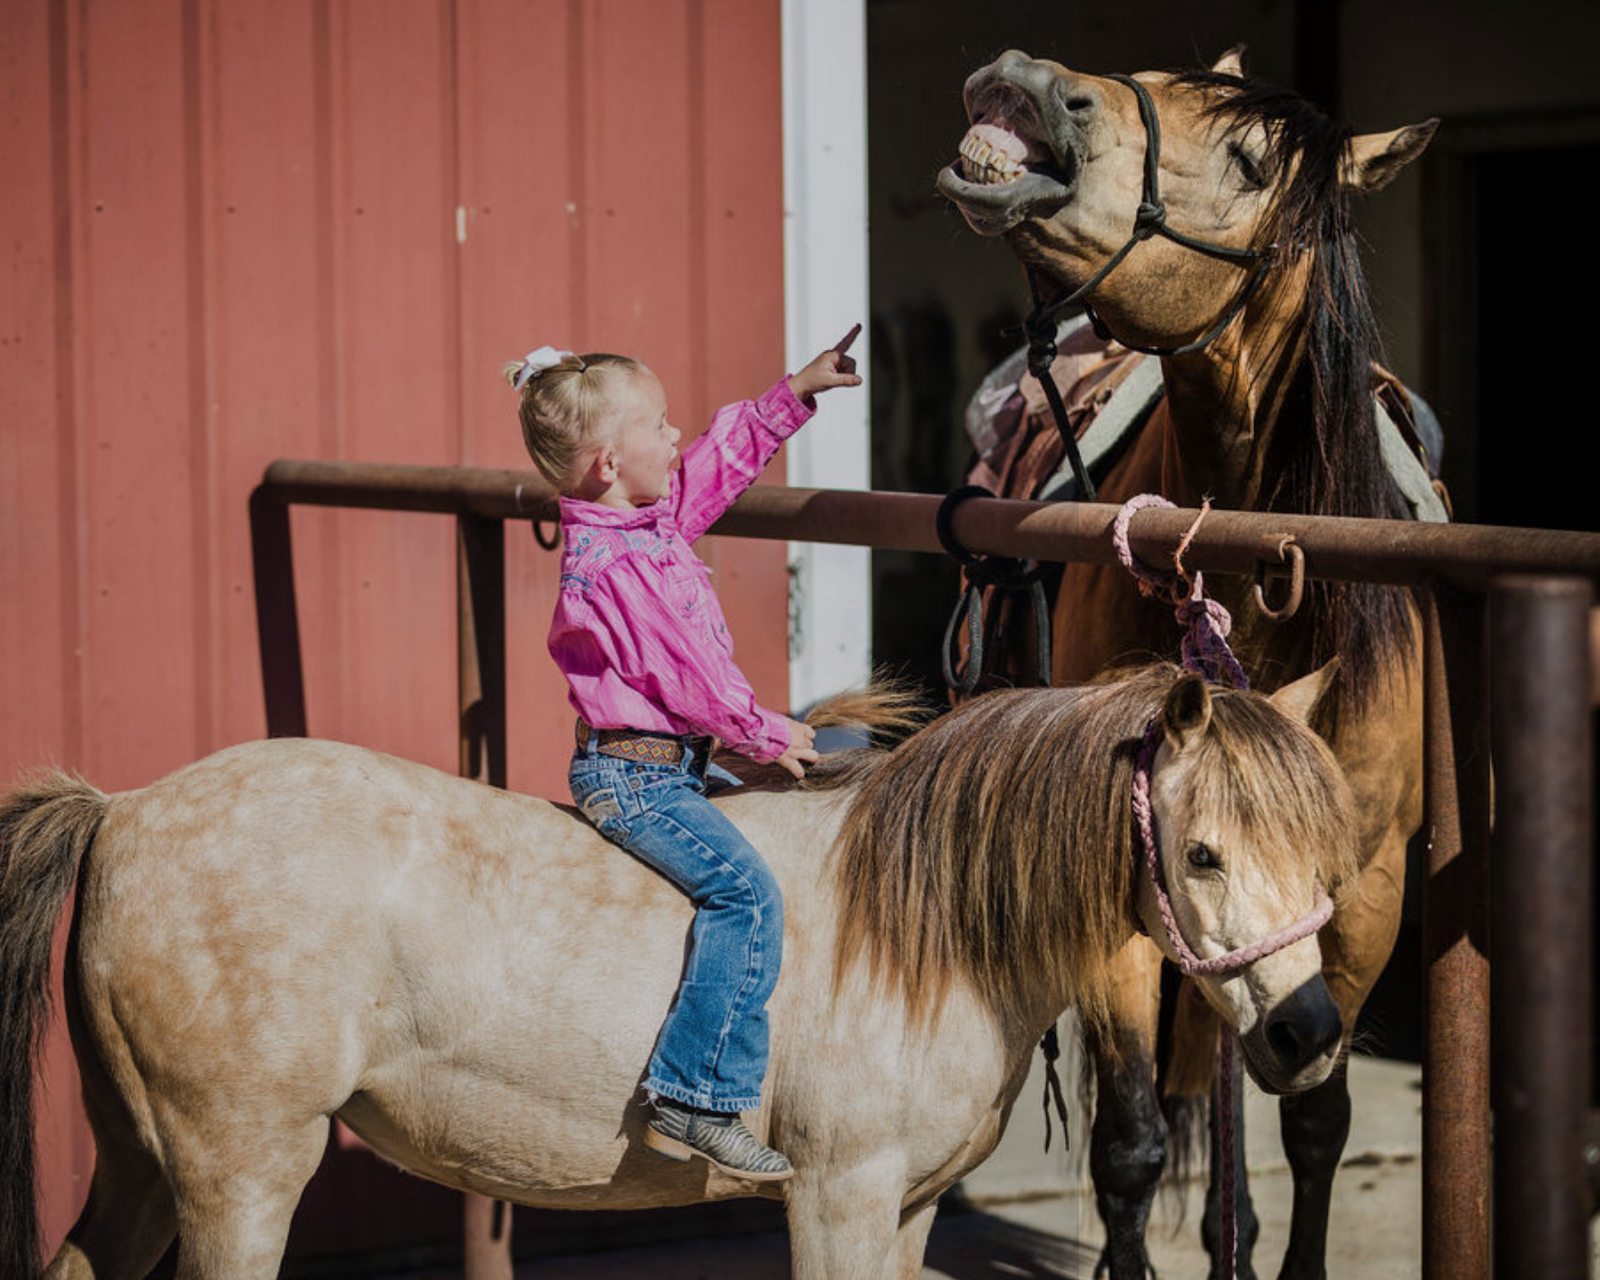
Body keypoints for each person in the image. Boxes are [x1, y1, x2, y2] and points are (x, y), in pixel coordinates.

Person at [504, 327, 862, 1181]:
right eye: (659, 425)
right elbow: (690, 678)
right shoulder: (614, 567)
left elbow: (714, 466)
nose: (676, 436)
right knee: (747, 895)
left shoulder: (647, 522)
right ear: (607, 464)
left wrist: (793, 395)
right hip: (637, 780)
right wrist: (768, 732)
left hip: (673, 766)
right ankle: (695, 1095)